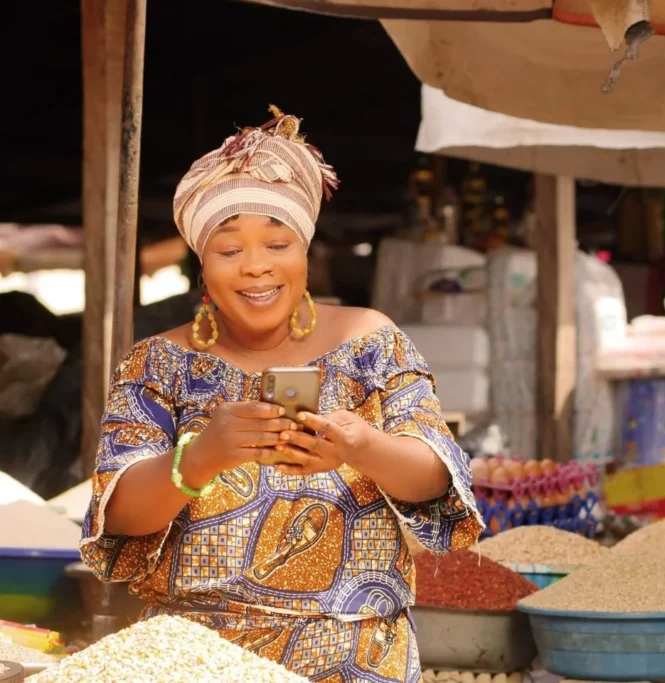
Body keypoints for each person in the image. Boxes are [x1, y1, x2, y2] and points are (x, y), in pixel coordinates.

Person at [80, 107, 483, 682]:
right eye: (229, 251)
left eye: (277, 244)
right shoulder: (157, 365)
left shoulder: (370, 343)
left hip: (355, 655)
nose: (256, 268)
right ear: (201, 264)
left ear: (305, 252)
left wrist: (362, 447)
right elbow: (118, 515)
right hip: (196, 659)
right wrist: (202, 456)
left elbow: (437, 478)